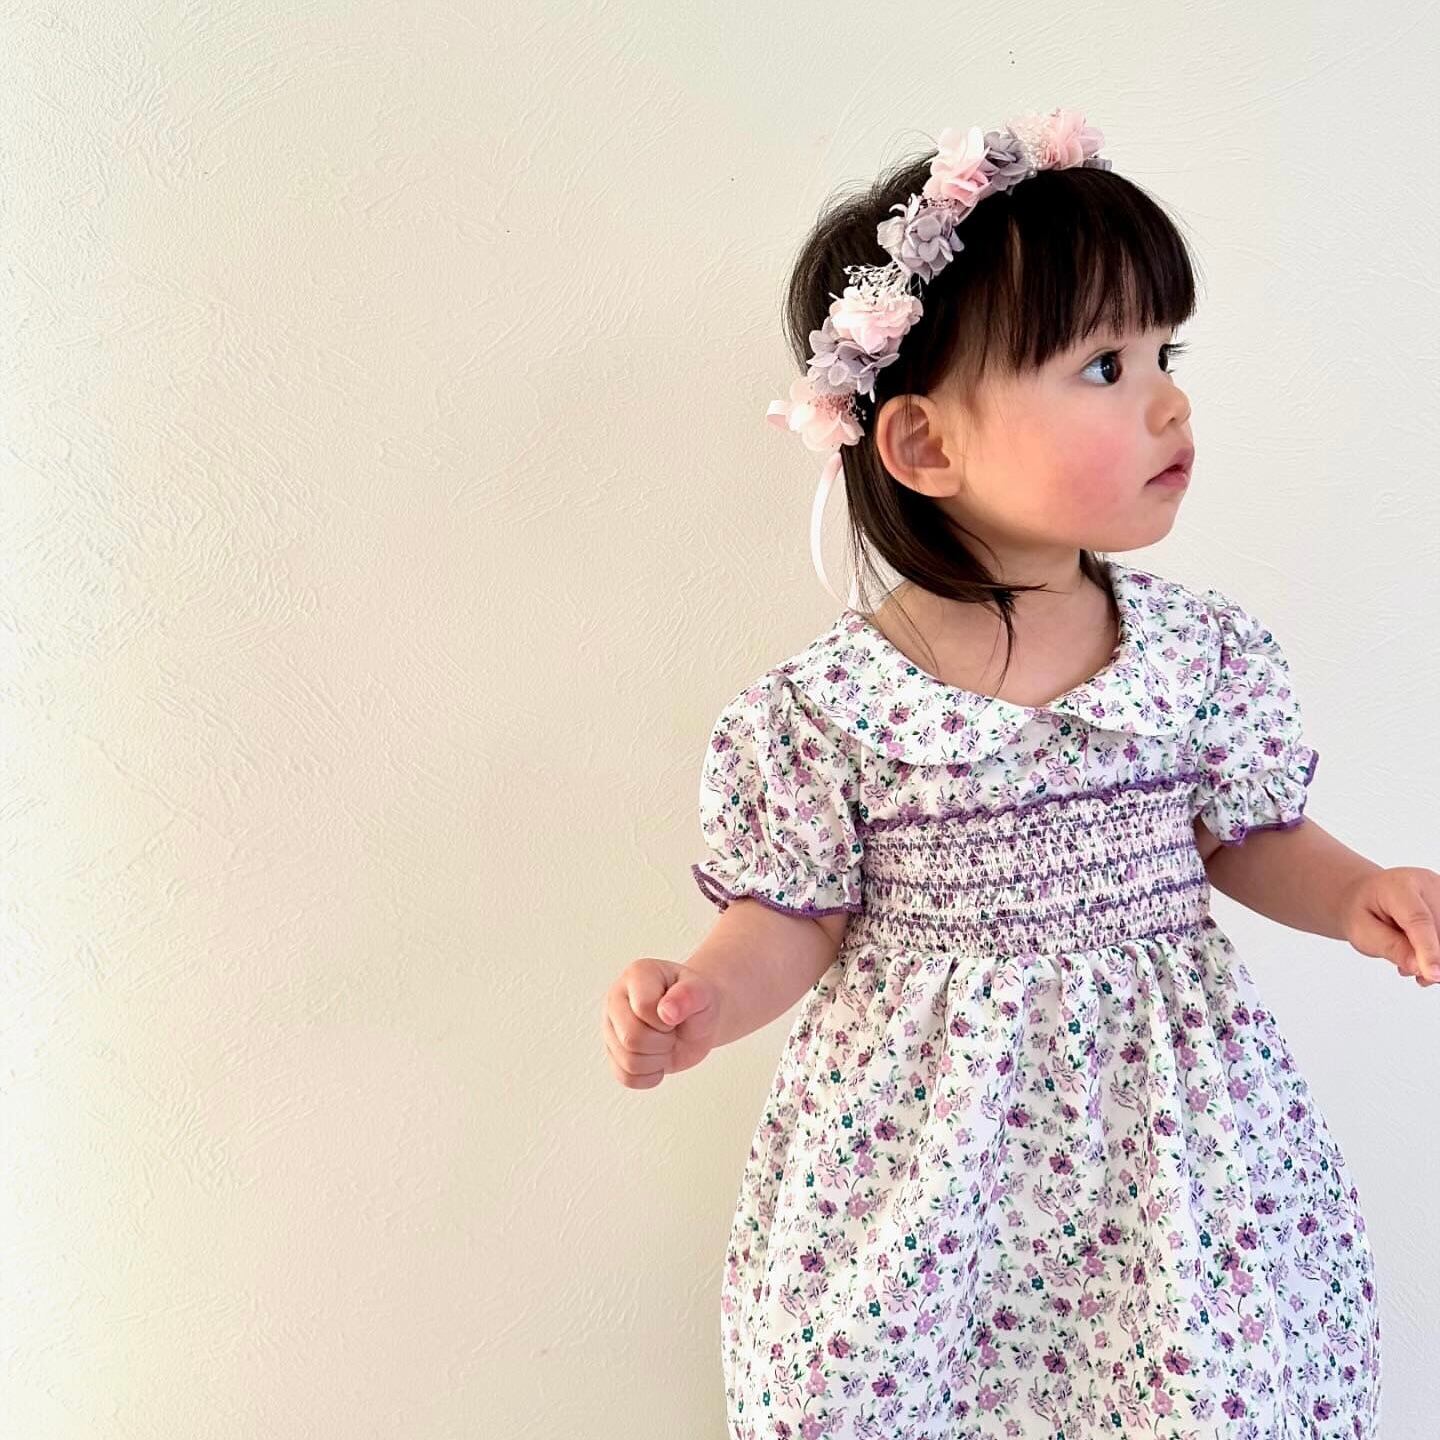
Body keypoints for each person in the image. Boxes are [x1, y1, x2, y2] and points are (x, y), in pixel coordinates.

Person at [602, 109, 1429, 1439]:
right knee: (908, 1383)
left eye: (1164, 354)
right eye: (1103, 365)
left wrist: (1355, 893)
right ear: (925, 446)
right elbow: (793, 918)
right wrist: (701, 996)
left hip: (1165, 1135)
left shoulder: (1198, 657)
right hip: (931, 1157)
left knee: (1193, 1378)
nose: (1169, 400)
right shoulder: (826, 715)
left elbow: (1247, 833)